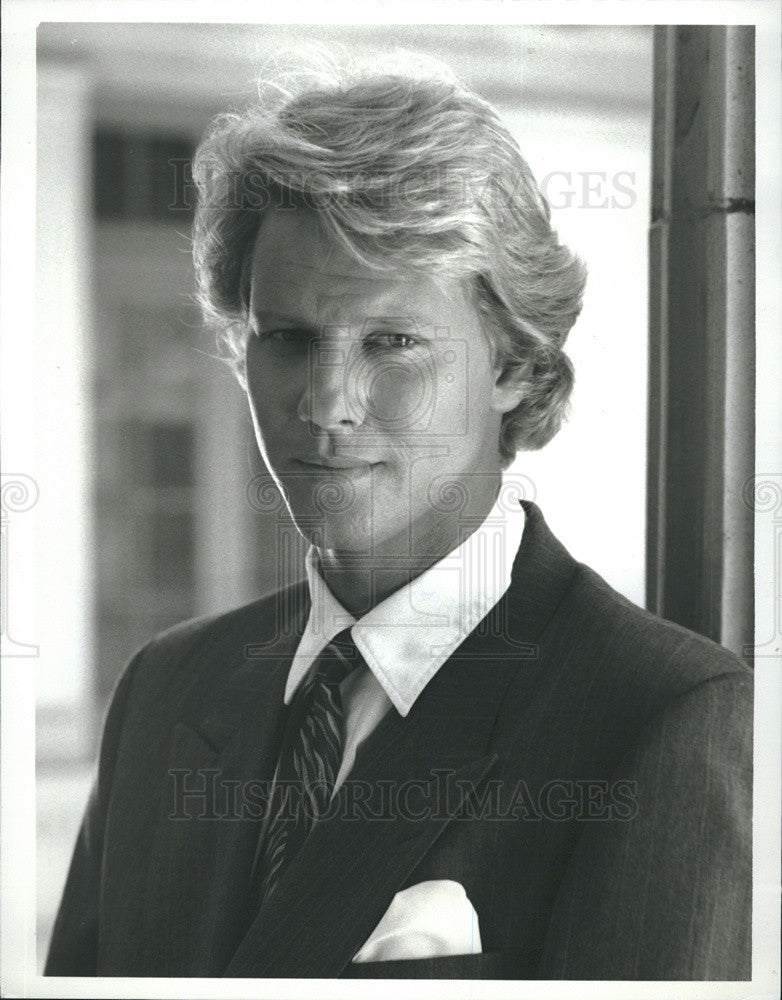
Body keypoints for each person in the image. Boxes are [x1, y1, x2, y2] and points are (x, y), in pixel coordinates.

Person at [45, 52, 752, 980]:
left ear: (515, 367)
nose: (326, 403)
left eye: (392, 341)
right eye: (287, 339)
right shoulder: (167, 689)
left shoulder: (660, 715)